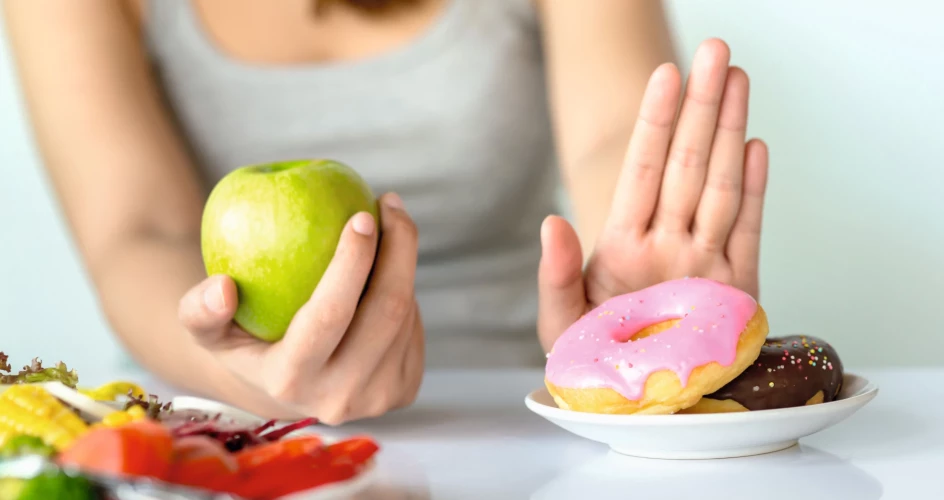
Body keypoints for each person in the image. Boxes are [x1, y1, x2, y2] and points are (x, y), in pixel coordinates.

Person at [3, 0, 768, 424]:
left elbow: (612, 136)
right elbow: (137, 230)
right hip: (215, 433)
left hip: (514, 429)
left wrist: (636, 288)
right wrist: (244, 378)